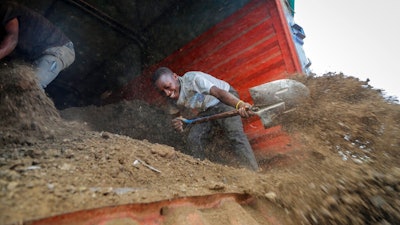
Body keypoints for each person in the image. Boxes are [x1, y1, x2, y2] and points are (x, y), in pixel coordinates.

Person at [152, 67, 259, 171]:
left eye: (167, 87)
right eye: (162, 92)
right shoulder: (170, 98)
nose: (167, 93)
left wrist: (239, 105)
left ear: (175, 77)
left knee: (235, 134)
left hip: (224, 100)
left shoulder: (193, 79)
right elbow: (175, 116)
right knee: (193, 138)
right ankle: (204, 174)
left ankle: (253, 172)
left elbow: (219, 93)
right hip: (206, 110)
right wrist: (178, 123)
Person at [0, 1, 75, 89]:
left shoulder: (5, 8)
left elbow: (12, 39)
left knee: (32, 86)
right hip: (32, 55)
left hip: (58, 49)